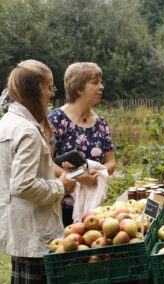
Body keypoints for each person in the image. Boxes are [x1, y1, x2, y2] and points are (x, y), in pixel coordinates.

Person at [0, 60, 75, 283]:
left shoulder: (7, 122)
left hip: (20, 225)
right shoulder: (27, 131)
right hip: (35, 230)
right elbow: (23, 185)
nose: (52, 94)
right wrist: (61, 186)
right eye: (49, 87)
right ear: (36, 90)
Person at [48, 62, 116, 226]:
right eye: (95, 83)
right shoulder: (56, 120)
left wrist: (94, 174)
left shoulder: (101, 123)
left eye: (100, 82)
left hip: (94, 208)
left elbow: (111, 162)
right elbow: (45, 162)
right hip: (62, 210)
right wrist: (77, 177)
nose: (101, 87)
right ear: (78, 88)